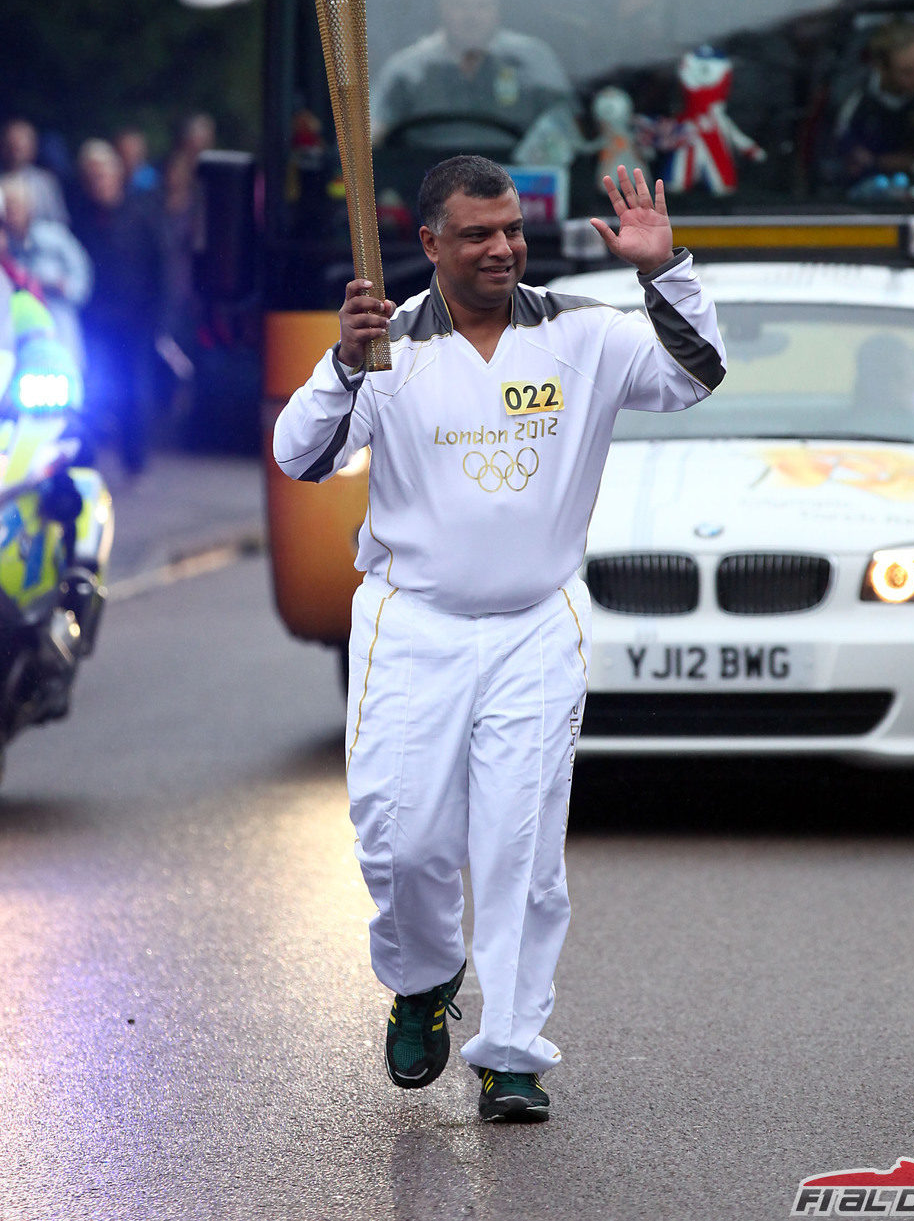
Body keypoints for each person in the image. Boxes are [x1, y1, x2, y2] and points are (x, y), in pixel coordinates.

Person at [273, 156, 726, 1124]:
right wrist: (346, 366)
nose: (501, 247)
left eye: (511, 229)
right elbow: (302, 457)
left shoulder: (581, 332)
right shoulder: (384, 343)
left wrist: (663, 271)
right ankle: (424, 978)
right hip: (413, 621)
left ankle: (512, 1052)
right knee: (401, 841)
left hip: (534, 622)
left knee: (518, 842)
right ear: (430, 243)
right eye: (477, 233)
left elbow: (695, 376)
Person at [370, 0, 574, 151]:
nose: (472, 16)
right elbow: (371, 135)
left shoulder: (533, 61)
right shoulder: (407, 69)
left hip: (512, 183)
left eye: (482, 5)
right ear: (441, 6)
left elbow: (567, 135)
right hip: (427, 181)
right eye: (460, 5)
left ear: (498, 8)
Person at [71, 139, 164, 476]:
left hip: (136, 320)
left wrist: (159, 316)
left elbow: (159, 265)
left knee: (135, 390)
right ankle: (88, 457)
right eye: (91, 175)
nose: (99, 181)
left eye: (103, 173)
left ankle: (134, 458)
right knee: (93, 388)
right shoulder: (79, 219)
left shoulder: (140, 214)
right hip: (94, 321)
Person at [831, 20, 914, 185]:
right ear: (882, 69)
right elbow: (841, 161)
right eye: (907, 72)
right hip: (870, 201)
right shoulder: (852, 99)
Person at [0, 172, 92, 374]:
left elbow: (82, 277)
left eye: (15, 206)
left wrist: (62, 286)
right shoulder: (5, 251)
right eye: (7, 207)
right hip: (20, 341)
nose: (11, 213)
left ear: (29, 207)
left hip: (60, 330)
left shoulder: (54, 237)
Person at [0, 118, 70, 225]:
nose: (14, 153)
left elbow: (58, 221)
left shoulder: (45, 182)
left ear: (32, 148)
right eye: (11, 145)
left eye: (19, 147)